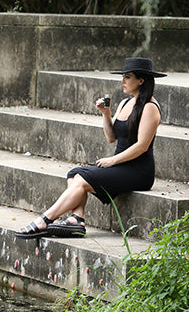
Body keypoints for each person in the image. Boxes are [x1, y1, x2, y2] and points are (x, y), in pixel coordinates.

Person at [15, 57, 165, 238]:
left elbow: (142, 146)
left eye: (127, 77)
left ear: (141, 80)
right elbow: (111, 137)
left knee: (82, 178)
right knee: (74, 174)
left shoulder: (150, 107)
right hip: (121, 166)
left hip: (138, 171)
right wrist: (106, 114)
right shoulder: (126, 103)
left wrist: (112, 161)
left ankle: (44, 221)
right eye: (123, 77)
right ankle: (76, 219)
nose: (122, 81)